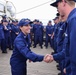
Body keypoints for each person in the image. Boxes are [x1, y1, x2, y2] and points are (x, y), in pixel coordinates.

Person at [49, 0, 76, 75]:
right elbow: (68, 50)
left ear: (64, 2)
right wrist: (53, 57)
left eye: (57, 6)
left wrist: (70, 70)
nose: (57, 10)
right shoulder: (70, 20)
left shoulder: (74, 20)